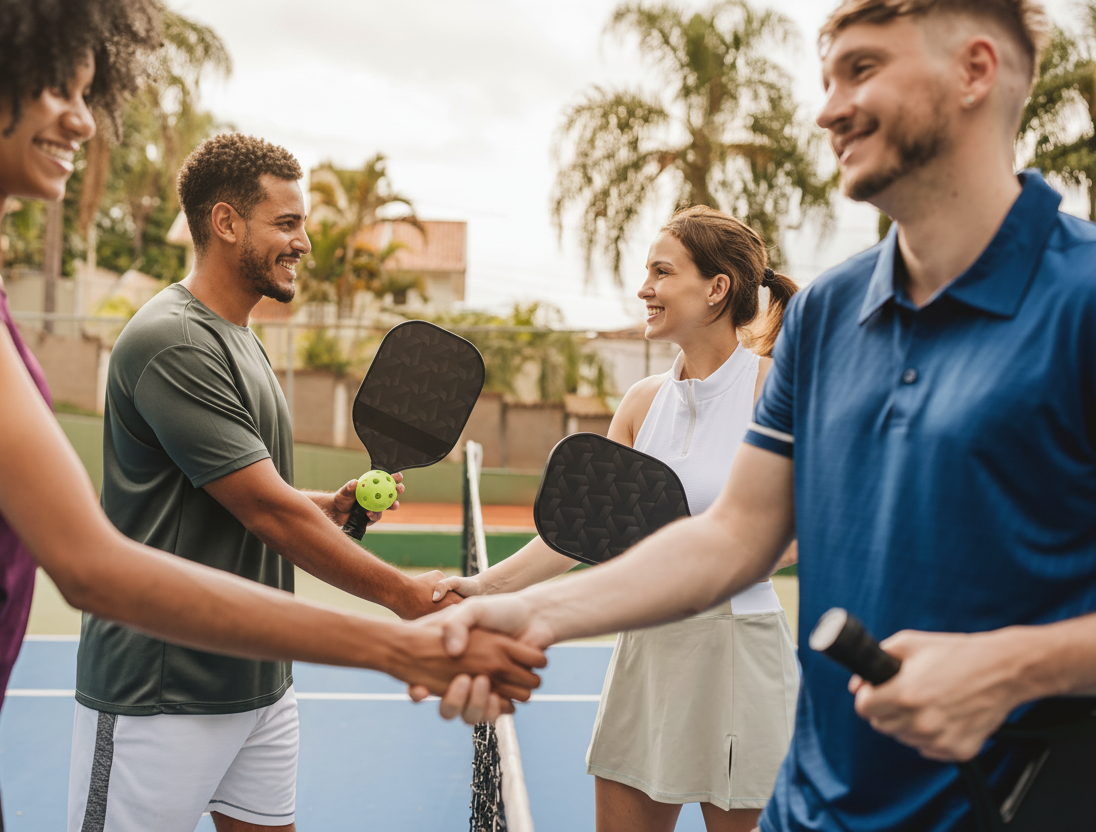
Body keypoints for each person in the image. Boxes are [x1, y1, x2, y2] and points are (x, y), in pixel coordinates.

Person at [0, 2, 542, 829]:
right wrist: (397, 639)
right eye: (49, 89)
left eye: (83, 90)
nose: (81, 118)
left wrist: (327, 514)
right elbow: (89, 564)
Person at [425, 1, 1096, 830]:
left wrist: (1011, 667)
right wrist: (523, 609)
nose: (827, 109)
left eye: (863, 69)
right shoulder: (826, 317)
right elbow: (733, 537)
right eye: (826, 79)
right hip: (814, 808)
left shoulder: (1085, 302)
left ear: (975, 71)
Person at [66, 132, 459, 832]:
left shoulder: (241, 338)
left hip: (257, 683)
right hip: (162, 689)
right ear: (226, 223)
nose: (304, 241)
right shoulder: (175, 340)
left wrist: (326, 506)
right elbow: (266, 512)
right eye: (287, 222)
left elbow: (249, 492)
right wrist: (405, 597)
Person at [431, 206, 800, 832]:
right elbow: (581, 532)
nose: (644, 288)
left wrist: (708, 563)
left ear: (717, 289)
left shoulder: (777, 391)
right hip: (645, 646)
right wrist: (483, 587)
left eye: (662, 271)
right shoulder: (640, 402)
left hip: (737, 650)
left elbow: (807, 530)